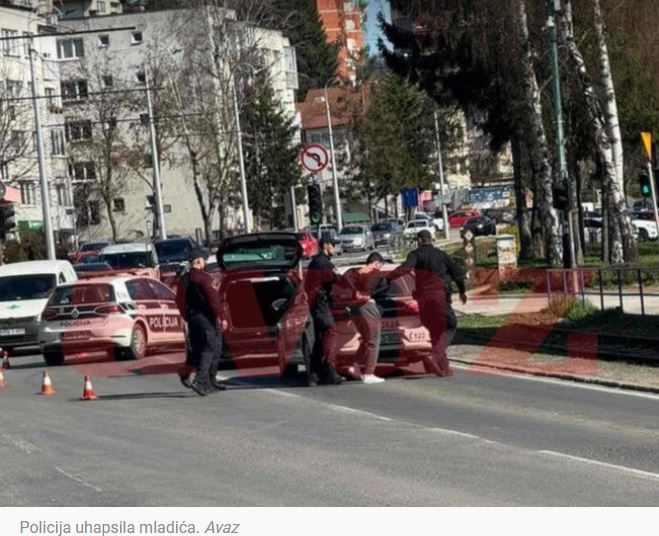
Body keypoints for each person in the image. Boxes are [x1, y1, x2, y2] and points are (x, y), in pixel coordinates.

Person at [389, 229, 467, 377]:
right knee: (451, 324)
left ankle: (443, 368)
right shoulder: (441, 255)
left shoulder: (415, 255)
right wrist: (462, 291)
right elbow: (457, 272)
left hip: (423, 299)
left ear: (419, 240)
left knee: (435, 331)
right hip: (439, 297)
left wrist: (388, 277)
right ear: (431, 239)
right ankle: (435, 356)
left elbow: (405, 268)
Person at [175, 248, 227, 396]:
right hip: (206, 318)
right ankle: (201, 380)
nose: (204, 262)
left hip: (192, 317)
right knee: (209, 347)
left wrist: (186, 316)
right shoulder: (204, 278)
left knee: (200, 349)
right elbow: (214, 301)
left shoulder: (183, 279)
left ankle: (209, 380)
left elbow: (179, 300)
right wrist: (222, 317)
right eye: (203, 260)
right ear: (198, 261)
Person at [340, 252, 390, 384]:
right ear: (376, 263)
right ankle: (369, 373)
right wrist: (370, 295)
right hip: (368, 307)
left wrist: (355, 291)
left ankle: (354, 367)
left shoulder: (354, 272)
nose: (379, 268)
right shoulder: (374, 273)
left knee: (367, 339)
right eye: (380, 265)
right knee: (373, 341)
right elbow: (385, 287)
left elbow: (343, 278)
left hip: (354, 308)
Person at [304, 236, 343, 385]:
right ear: (326, 245)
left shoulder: (315, 262)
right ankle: (330, 369)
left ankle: (314, 375)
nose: (335, 248)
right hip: (321, 305)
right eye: (333, 245)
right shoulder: (323, 263)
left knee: (320, 340)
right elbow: (336, 279)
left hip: (316, 305)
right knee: (331, 332)